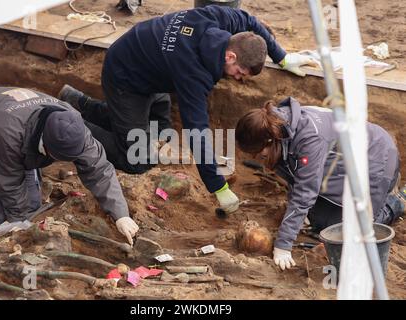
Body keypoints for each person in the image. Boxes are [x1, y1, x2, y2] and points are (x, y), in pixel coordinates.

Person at [58, 5, 315, 215]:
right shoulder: (194, 73)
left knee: (160, 133)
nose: (238, 79)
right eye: (240, 73)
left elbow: (251, 21)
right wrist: (218, 186)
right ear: (231, 57)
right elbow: (197, 132)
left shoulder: (219, 20)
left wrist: (281, 57)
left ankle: (78, 101)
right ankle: (71, 123)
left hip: (152, 69)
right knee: (137, 158)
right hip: (126, 77)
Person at [235, 97, 405, 270]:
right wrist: (298, 217)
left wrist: (283, 245)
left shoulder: (309, 138)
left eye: (260, 154)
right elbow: (297, 177)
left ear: (271, 140)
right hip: (342, 165)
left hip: (377, 161)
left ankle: (395, 202)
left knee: (348, 233)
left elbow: (305, 192)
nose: (259, 159)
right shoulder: (279, 127)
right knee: (322, 224)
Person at [0, 87, 139, 245]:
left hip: (13, 143)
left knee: (33, 209)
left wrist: (121, 215)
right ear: (46, 147)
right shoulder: (10, 132)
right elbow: (8, 177)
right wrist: (17, 220)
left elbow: (99, 169)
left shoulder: (74, 127)